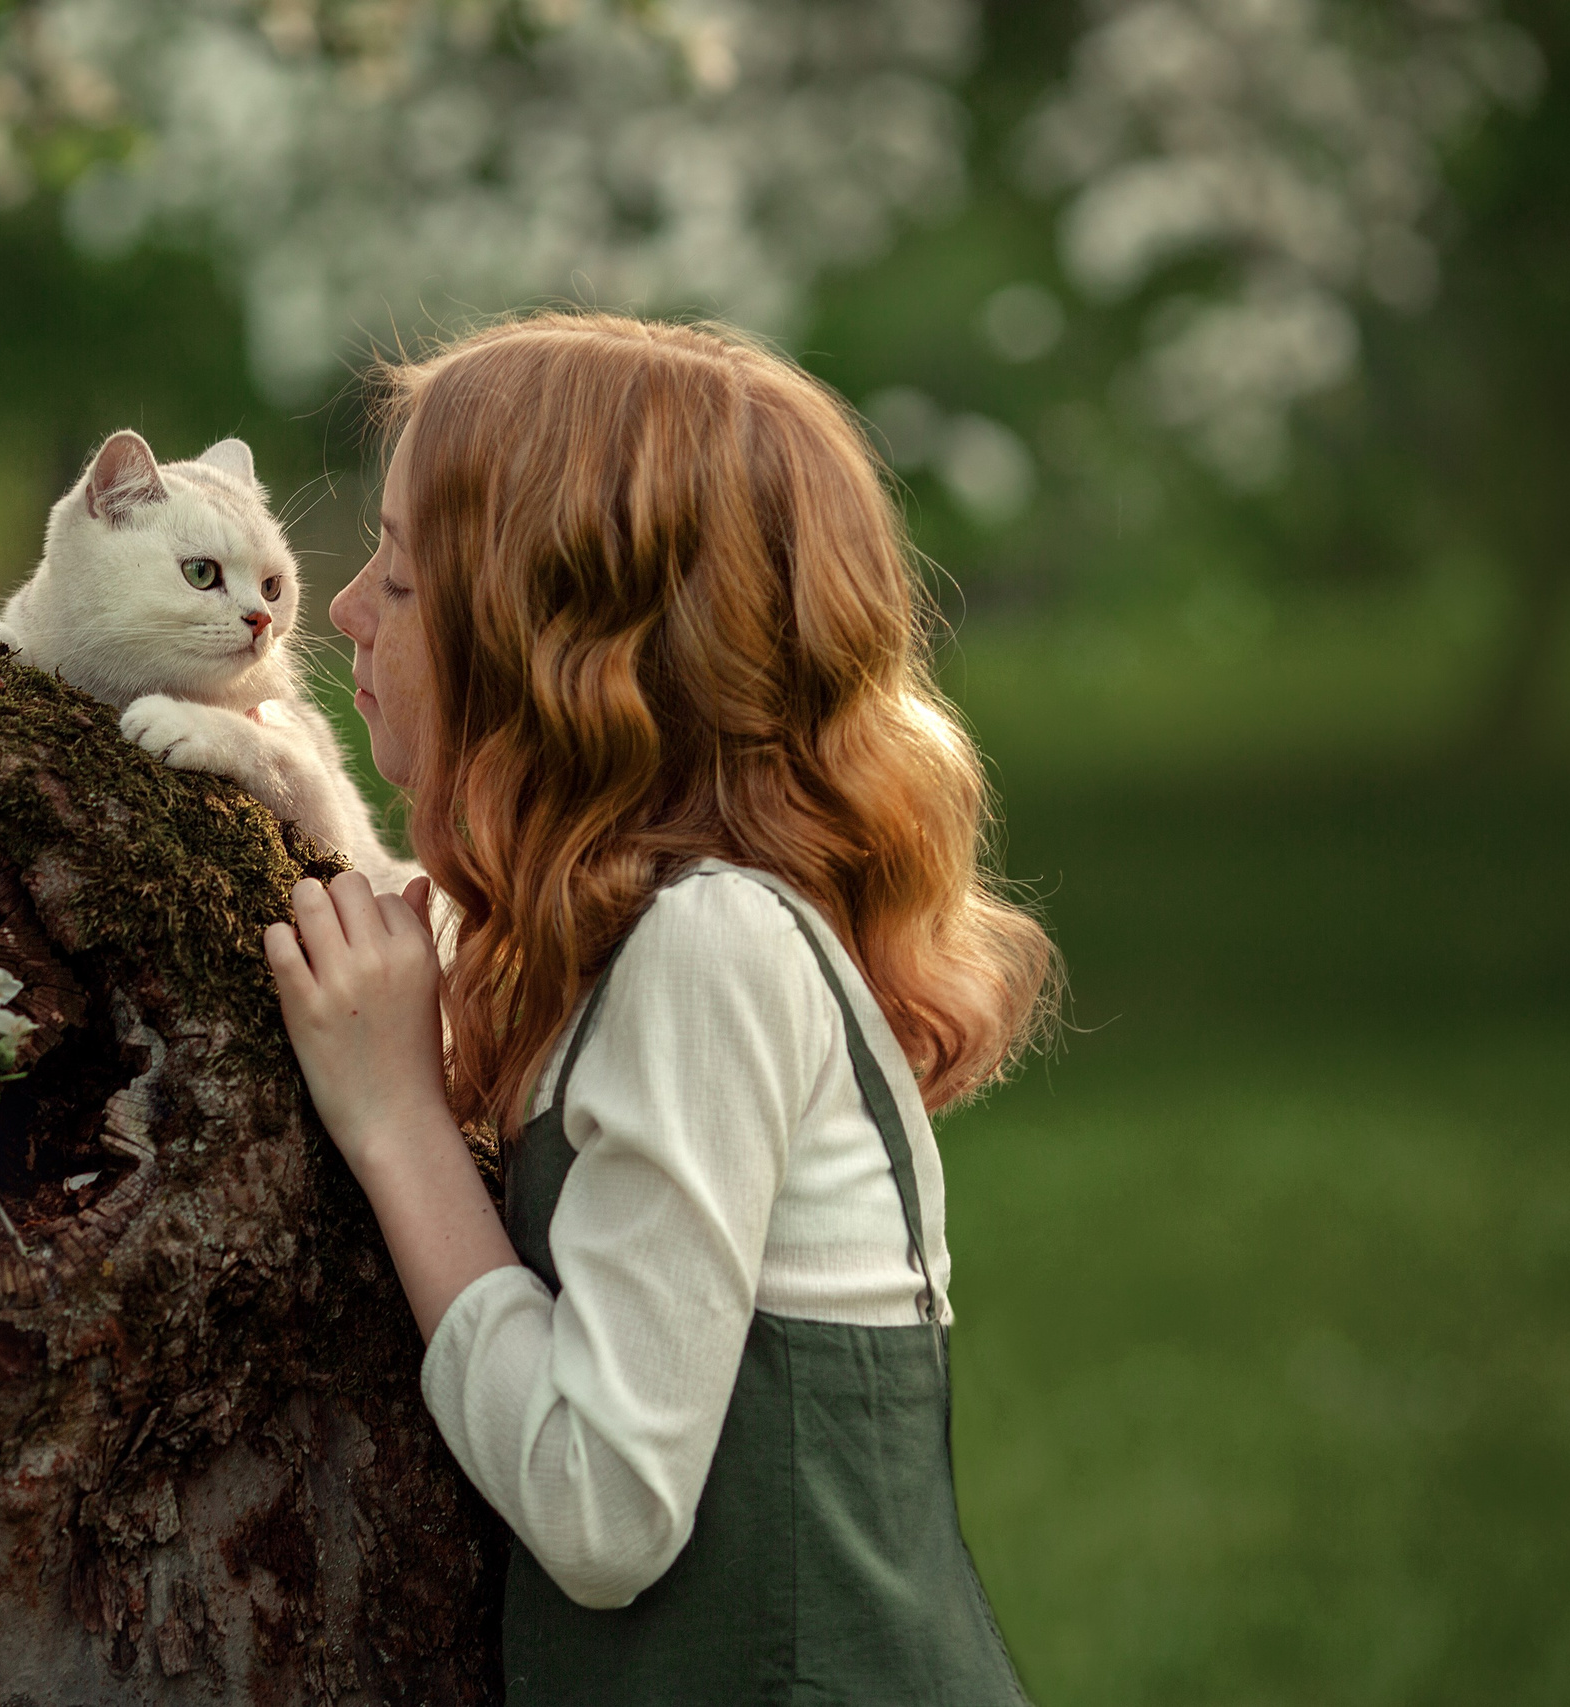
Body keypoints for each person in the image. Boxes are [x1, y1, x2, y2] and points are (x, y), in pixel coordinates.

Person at [262, 313, 1056, 1704]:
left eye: (397, 573)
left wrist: (396, 1122)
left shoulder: (710, 945)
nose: (343, 614)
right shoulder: (631, 946)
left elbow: (604, 1506)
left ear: (545, 641)